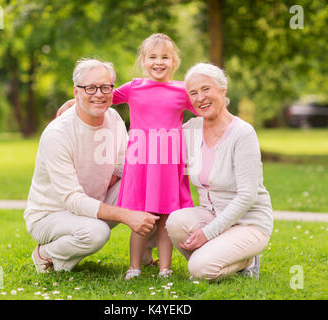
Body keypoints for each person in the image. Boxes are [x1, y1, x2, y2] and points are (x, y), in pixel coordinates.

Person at [56, 34, 197, 279]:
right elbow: (103, 97)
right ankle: (134, 266)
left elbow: (205, 109)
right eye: (152, 57)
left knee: (166, 218)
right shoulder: (134, 87)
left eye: (165, 57)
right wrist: (74, 100)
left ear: (174, 61)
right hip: (141, 163)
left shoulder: (182, 91)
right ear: (143, 60)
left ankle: (165, 268)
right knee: (140, 215)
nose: (158, 62)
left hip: (168, 165)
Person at [24, 58, 159, 273]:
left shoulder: (113, 118)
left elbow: (127, 165)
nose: (99, 94)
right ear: (76, 91)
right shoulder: (57, 134)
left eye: (105, 87)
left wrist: (114, 178)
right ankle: (44, 254)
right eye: (90, 87)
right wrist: (126, 215)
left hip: (92, 202)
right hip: (50, 215)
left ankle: (144, 255)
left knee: (144, 180)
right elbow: (72, 199)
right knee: (96, 232)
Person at [166, 63, 273, 281]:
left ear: (222, 91)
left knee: (199, 270)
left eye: (206, 89)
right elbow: (152, 142)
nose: (200, 98)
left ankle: (247, 259)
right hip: (211, 215)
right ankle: (220, 255)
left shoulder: (242, 133)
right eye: (193, 93)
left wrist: (208, 233)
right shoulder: (192, 129)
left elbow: (247, 195)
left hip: (249, 223)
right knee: (175, 221)